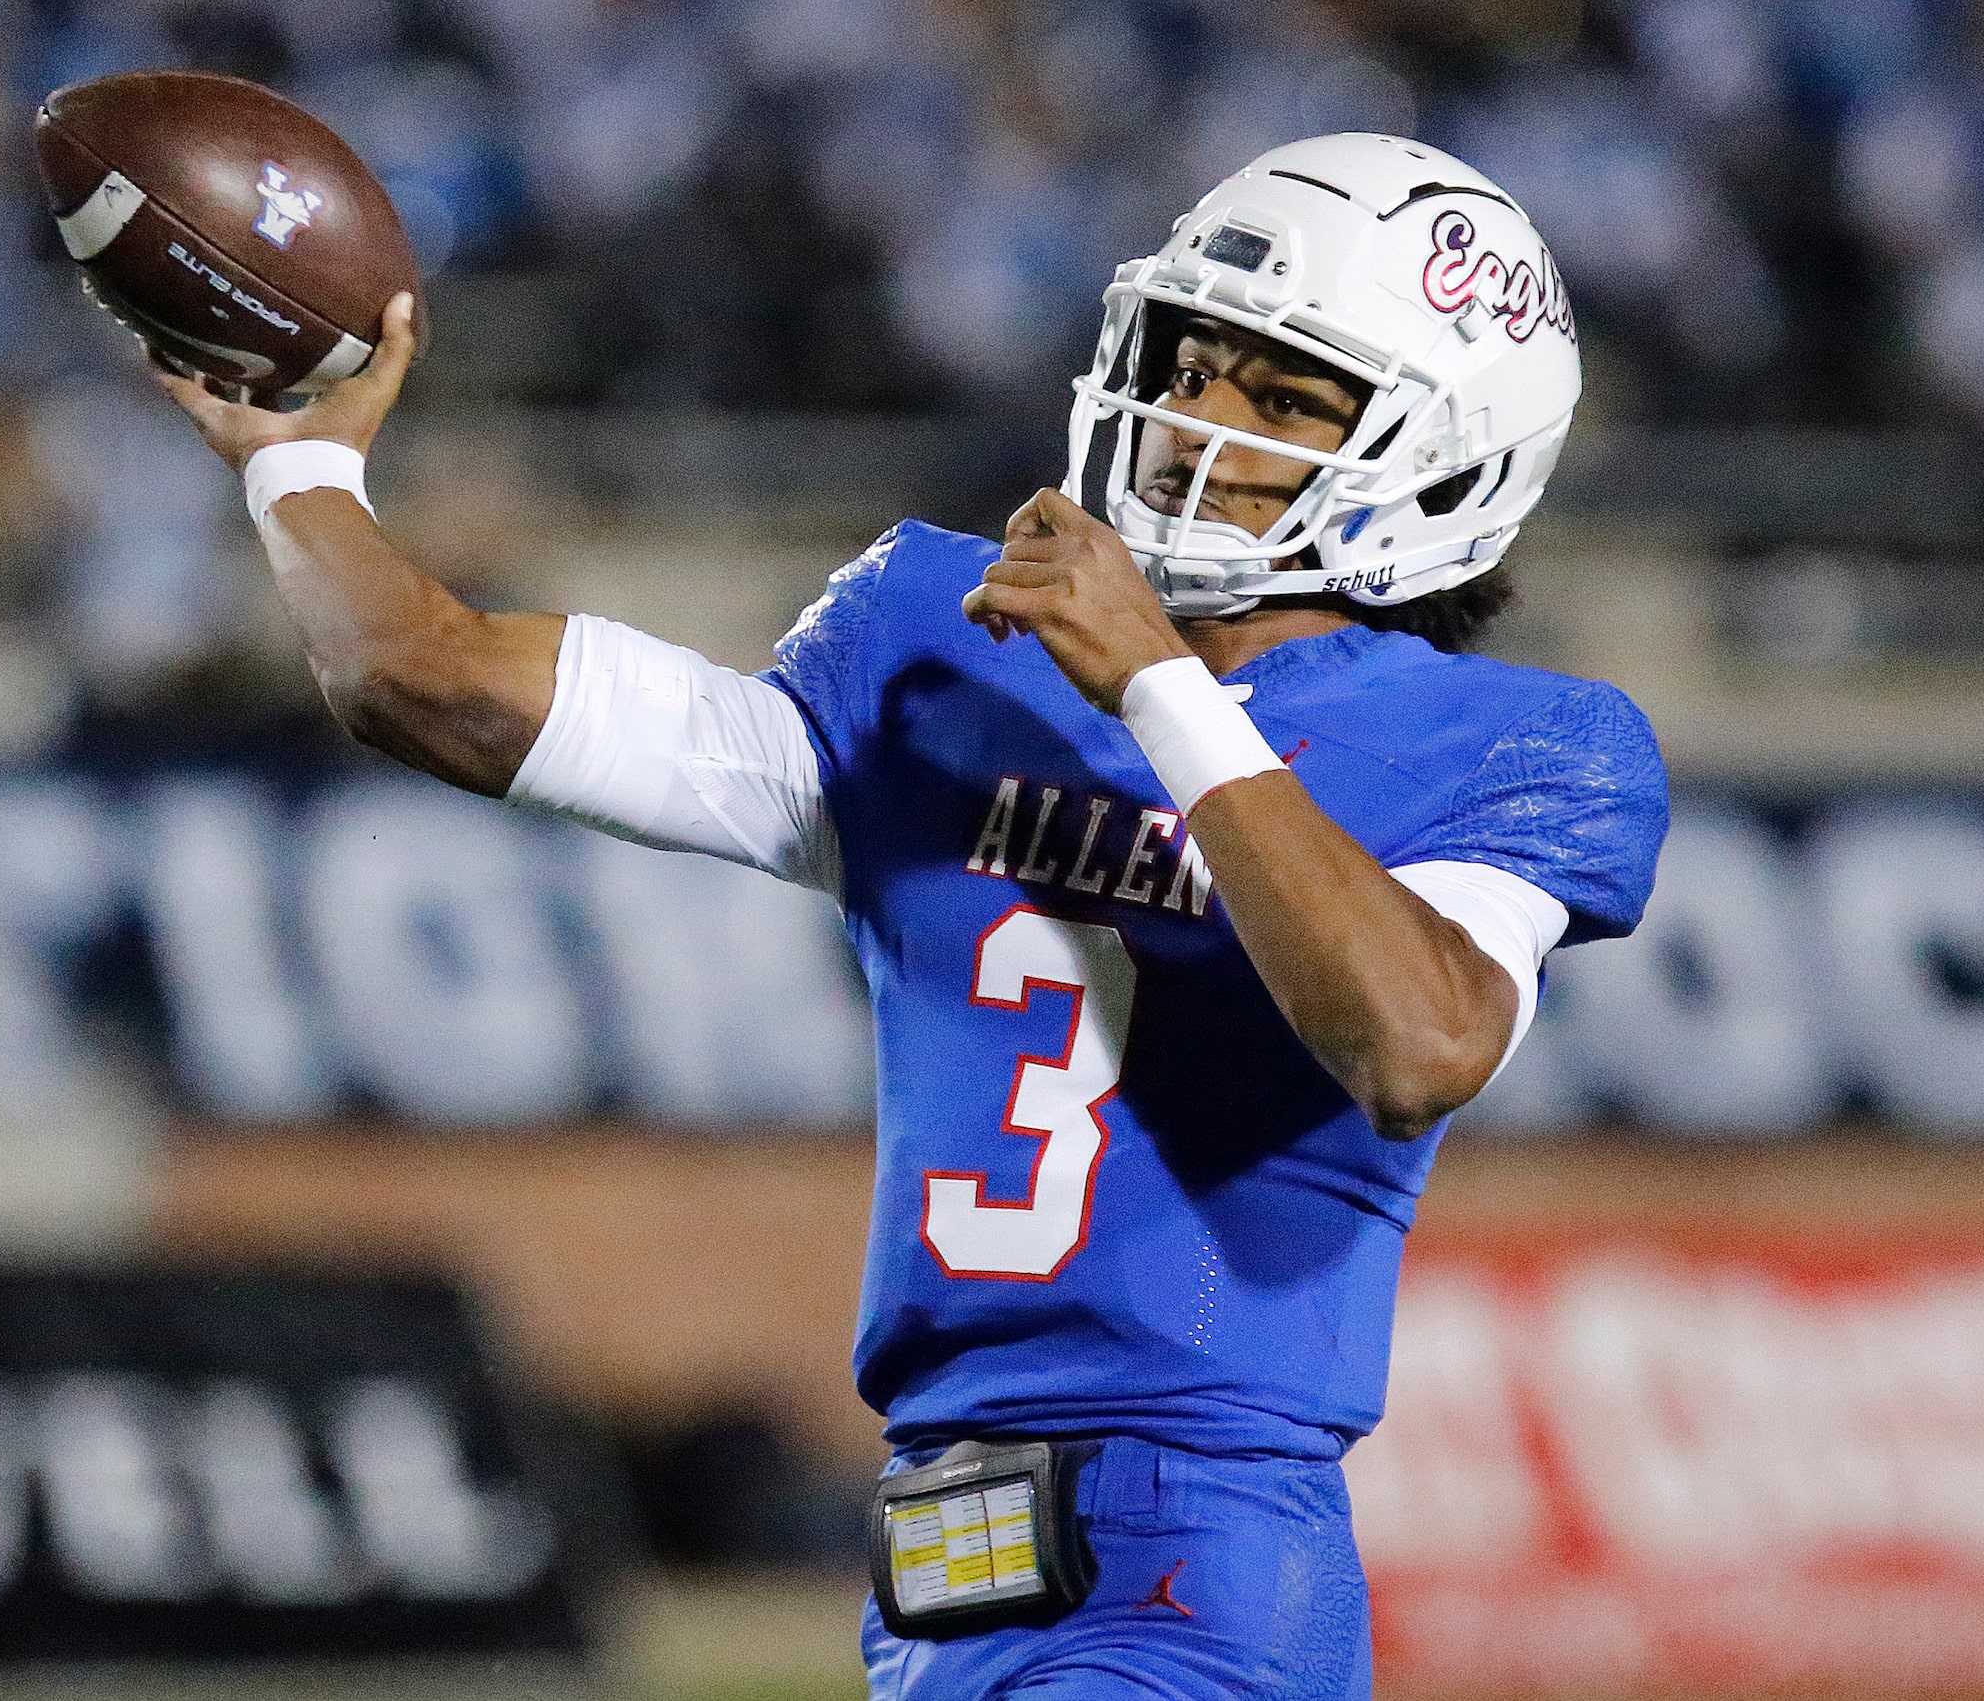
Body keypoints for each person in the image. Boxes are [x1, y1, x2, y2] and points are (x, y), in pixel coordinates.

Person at [149, 133, 1666, 1700]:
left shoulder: (1517, 744)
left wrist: (1157, 683)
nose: (1195, 422)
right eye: (1192, 363)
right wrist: (298, 466)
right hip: (947, 1552)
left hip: (1191, 1552)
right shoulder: (938, 636)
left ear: (1445, 464)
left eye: (1281, 400)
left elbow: (1415, 1037)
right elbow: (428, 683)